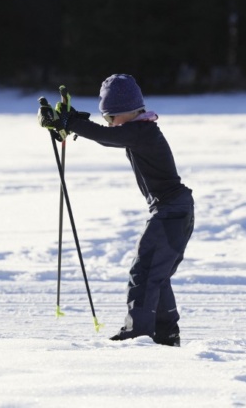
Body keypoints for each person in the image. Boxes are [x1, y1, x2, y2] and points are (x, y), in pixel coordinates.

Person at [40, 74, 194, 347]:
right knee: (156, 274)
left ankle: (138, 333)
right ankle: (166, 332)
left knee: (143, 272)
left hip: (171, 211)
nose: (109, 122)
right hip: (175, 210)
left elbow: (107, 137)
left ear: (125, 112)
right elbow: (108, 133)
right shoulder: (139, 129)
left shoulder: (142, 131)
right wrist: (73, 121)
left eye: (111, 117)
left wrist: (72, 123)